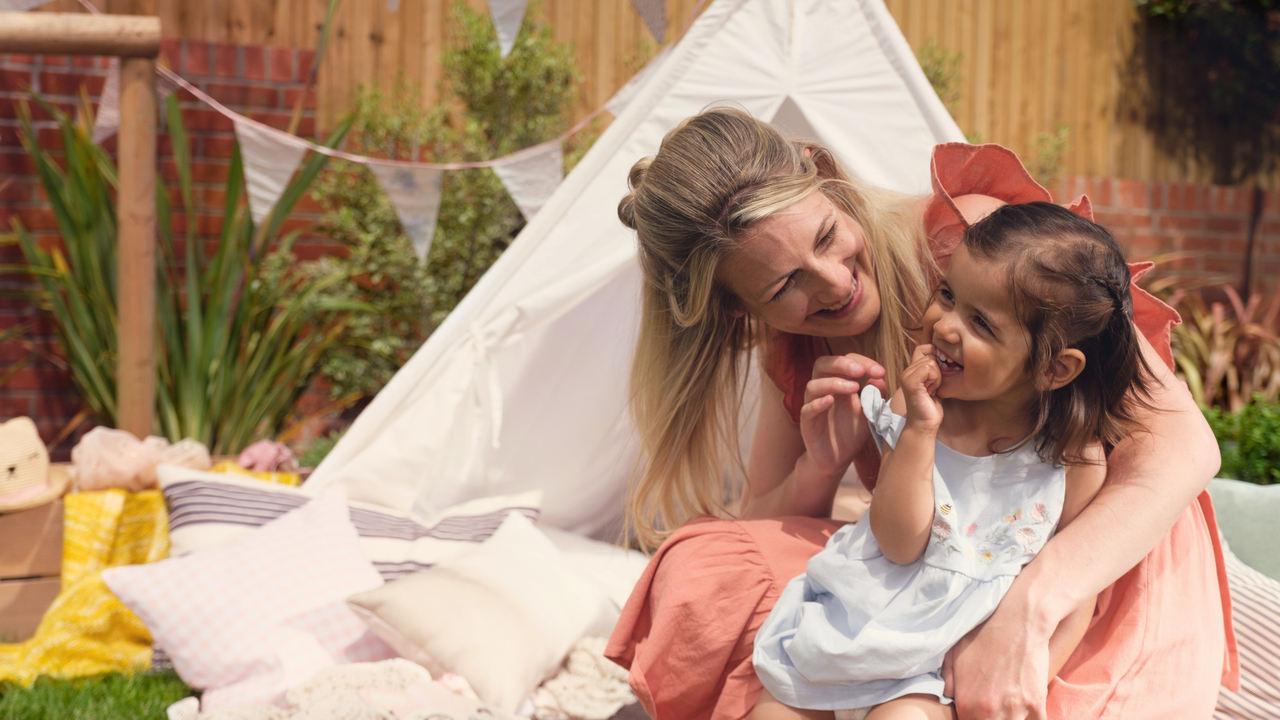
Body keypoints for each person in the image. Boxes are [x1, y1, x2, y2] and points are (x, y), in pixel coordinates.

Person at [605, 107, 1236, 720]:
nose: (833, 283)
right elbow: (762, 534)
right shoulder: (795, 348)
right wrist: (820, 468)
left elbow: (1186, 446)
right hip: (941, 572)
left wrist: (1030, 608)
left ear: (822, 173)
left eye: (826, 236)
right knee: (697, 565)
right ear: (737, 309)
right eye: (784, 286)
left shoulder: (978, 247)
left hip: (1093, 568)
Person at [752, 202, 1157, 720]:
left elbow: (1078, 591)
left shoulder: (1074, 460)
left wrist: (1027, 670)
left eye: (981, 323)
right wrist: (920, 430)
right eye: (947, 294)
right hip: (860, 617)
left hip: (942, 664)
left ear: (1054, 368)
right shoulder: (920, 408)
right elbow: (898, 543)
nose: (944, 325)